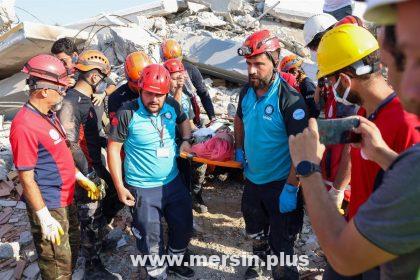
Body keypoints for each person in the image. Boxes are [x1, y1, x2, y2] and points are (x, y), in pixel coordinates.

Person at [288, 1, 420, 276]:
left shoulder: (406, 122)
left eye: (330, 81)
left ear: (344, 82)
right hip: (357, 228)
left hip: (379, 251)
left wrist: (307, 168)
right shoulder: (365, 115)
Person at [108, 64, 195, 279]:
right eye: (149, 94)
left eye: (159, 95)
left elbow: (184, 120)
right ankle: (157, 274)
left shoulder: (171, 105)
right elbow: (113, 149)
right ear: (140, 89)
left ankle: (174, 263)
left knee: (183, 225)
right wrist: (120, 187)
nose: (154, 99)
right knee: (150, 236)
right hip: (142, 187)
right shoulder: (127, 112)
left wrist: (185, 140)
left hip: (173, 182)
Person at [235, 30, 308, 279]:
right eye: (248, 64)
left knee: (283, 247)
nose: (252, 70)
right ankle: (259, 258)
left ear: (275, 61)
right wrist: (239, 148)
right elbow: (239, 119)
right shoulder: (246, 92)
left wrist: (291, 187)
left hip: (280, 185)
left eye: (259, 64)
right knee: (254, 229)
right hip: (253, 181)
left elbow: (302, 148)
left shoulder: (290, 100)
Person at [10, 54, 79, 280]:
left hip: (65, 197)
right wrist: (44, 217)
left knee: (69, 255)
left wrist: (78, 176)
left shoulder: (48, 115)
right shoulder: (24, 125)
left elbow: (58, 154)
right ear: (44, 91)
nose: (63, 92)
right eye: (60, 88)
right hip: (50, 204)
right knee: (57, 265)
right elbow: (26, 178)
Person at [57, 49, 123, 279]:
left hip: (94, 164)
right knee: (90, 214)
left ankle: (96, 240)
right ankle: (92, 266)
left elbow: (93, 135)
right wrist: (87, 175)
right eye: (102, 78)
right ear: (95, 76)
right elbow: (70, 144)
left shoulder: (88, 100)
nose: (103, 83)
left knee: (116, 193)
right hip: (84, 169)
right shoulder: (71, 103)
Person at [163, 58, 209, 213]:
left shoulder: (185, 96)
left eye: (179, 78)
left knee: (199, 167)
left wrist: (201, 134)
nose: (177, 82)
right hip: (168, 144)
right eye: (174, 79)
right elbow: (174, 113)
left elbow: (188, 121)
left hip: (184, 140)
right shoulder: (159, 96)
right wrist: (178, 90)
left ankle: (196, 196)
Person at [161, 39, 216, 126]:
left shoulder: (191, 70)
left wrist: (212, 117)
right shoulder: (160, 73)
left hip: (190, 115)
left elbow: (203, 94)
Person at [107, 51, 152, 119]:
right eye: (137, 82)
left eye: (145, 82)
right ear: (128, 78)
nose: (142, 87)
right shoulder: (116, 98)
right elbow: (116, 126)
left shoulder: (155, 91)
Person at [280, 54, 320, 118]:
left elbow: (314, 107)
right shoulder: (301, 83)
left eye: (291, 72)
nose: (290, 76)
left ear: (296, 71)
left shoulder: (306, 84)